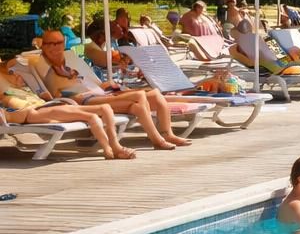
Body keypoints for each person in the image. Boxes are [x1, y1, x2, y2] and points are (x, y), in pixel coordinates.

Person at [35, 30, 188, 149]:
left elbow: (85, 82)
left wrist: (104, 85)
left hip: (96, 93)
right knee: (140, 95)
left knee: (149, 97)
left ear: (64, 43)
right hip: (83, 100)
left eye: (59, 43)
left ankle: (167, 134)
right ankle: (158, 140)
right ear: (43, 45)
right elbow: (55, 91)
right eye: (50, 43)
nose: (55, 47)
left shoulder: (67, 63)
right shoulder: (41, 65)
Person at [1, 56, 133, 160]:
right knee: (91, 116)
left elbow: (13, 66)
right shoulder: (6, 96)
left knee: (105, 108)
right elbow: (12, 113)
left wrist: (45, 96)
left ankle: (115, 147)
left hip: (49, 106)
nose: (18, 75)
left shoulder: (22, 90)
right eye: (14, 74)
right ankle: (111, 151)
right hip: (37, 111)